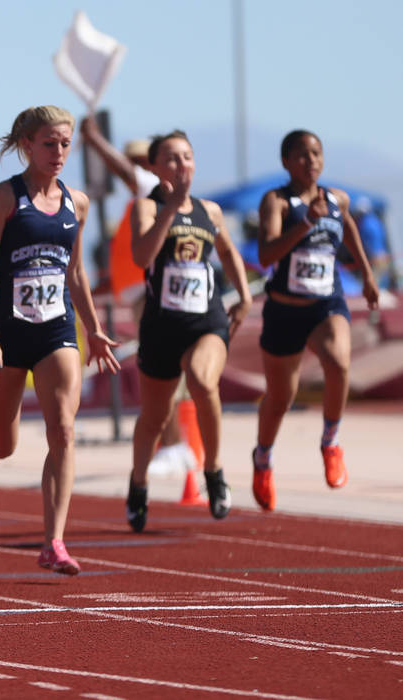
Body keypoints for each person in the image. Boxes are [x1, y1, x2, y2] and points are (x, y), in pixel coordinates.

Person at [0, 106, 120, 575]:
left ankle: (53, 541)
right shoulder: (2, 199)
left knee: (63, 428)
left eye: (65, 144)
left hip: (58, 330)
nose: (58, 153)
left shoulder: (78, 203)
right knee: (1, 445)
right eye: (49, 144)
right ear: (27, 146)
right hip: (8, 333)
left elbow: (75, 272)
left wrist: (94, 328)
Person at [126, 129, 252, 532]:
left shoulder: (210, 212)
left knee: (202, 380)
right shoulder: (145, 209)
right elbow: (142, 256)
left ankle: (213, 472)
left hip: (206, 319)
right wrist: (170, 209)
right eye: (173, 159)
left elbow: (229, 252)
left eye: (187, 157)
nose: (182, 165)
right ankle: (139, 484)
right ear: (156, 168)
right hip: (162, 325)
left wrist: (245, 296)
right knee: (154, 416)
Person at [251, 130, 380, 511]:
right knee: (279, 398)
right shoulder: (276, 201)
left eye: (316, 153)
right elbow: (266, 254)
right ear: (287, 162)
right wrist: (306, 223)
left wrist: (368, 274)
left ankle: (330, 441)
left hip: (326, 304)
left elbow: (350, 229)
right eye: (302, 155)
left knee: (339, 362)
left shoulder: (337, 199)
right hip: (285, 311)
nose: (311, 161)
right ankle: (263, 459)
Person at [79, 115, 195, 477]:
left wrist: (94, 139)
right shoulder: (143, 201)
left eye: (136, 159)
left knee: (161, 374)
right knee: (159, 374)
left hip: (153, 296)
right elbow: (122, 266)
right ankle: (175, 445)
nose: (130, 166)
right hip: (141, 296)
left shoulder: (151, 187)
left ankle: (176, 446)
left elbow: (124, 172)